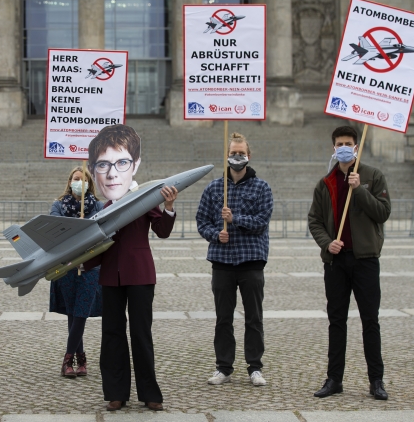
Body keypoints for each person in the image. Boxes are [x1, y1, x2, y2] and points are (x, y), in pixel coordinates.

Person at [84, 124, 178, 412]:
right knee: (112, 334)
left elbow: (161, 231)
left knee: (141, 333)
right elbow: (93, 247)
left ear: (133, 165)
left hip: (140, 275)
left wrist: (168, 207)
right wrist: (80, 259)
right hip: (111, 276)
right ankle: (116, 392)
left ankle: (150, 393)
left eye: (121, 162)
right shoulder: (101, 208)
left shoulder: (142, 198)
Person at [308, 126, 391, 400]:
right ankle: (334, 379)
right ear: (334, 148)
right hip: (336, 262)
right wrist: (326, 242)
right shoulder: (326, 182)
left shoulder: (372, 176)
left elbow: (383, 212)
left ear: (356, 147)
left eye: (348, 143)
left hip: (365, 260)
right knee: (337, 321)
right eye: (339, 143)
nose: (344, 147)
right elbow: (315, 221)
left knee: (370, 321)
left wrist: (360, 190)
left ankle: (376, 381)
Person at [196, 132, 273, 387]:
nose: (237, 157)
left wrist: (235, 218)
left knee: (253, 317)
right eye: (233, 153)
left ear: (248, 156)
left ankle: (255, 367)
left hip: (251, 261)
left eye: (241, 153)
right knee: (223, 318)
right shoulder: (214, 188)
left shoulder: (262, 188)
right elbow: (202, 222)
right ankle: (223, 367)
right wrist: (216, 235)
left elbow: (262, 222)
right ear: (227, 156)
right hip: (222, 261)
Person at [49, 166, 104, 378]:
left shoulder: (98, 205)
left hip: (90, 267)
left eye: (83, 179)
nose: (79, 182)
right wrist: (74, 227)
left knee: (81, 311)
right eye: (76, 178)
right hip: (66, 266)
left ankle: (68, 358)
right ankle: (80, 358)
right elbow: (54, 229)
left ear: (89, 183)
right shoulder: (59, 205)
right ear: (70, 181)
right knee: (72, 312)